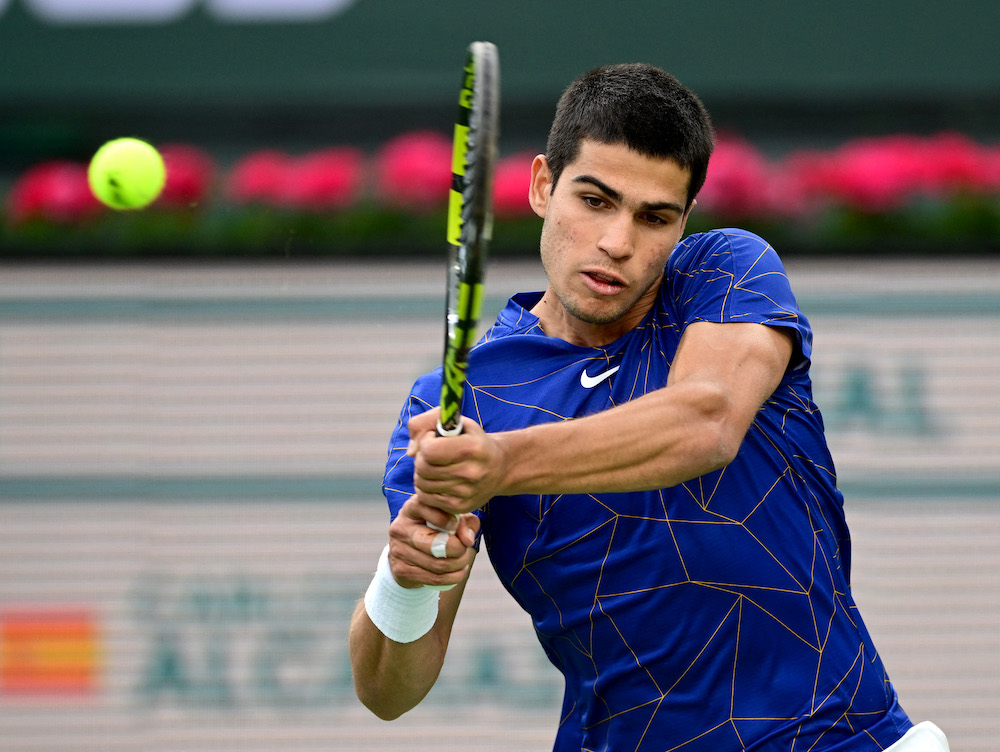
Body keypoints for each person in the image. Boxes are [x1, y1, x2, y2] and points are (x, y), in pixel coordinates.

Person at [349, 63, 949, 752]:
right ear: (543, 185)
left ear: (685, 220)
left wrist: (501, 463)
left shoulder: (723, 272)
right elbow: (387, 693)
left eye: (653, 217)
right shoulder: (461, 400)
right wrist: (408, 578)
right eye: (595, 201)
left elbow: (706, 421)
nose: (618, 243)